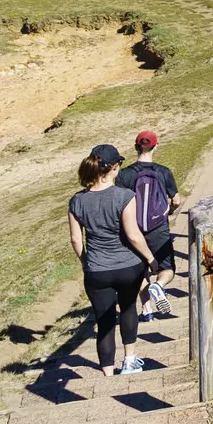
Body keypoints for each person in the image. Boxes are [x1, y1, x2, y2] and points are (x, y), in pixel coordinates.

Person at [67, 143, 158, 377]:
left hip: (97, 270)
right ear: (115, 167)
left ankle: (107, 373)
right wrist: (150, 259)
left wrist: (86, 262)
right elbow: (133, 235)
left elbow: (76, 241)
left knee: (104, 321)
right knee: (128, 309)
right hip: (128, 266)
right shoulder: (124, 196)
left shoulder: (76, 201)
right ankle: (129, 360)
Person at [115, 130, 182, 317]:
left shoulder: (124, 174)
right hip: (159, 227)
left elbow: (119, 202)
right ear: (156, 146)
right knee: (167, 268)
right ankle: (158, 286)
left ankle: (147, 310)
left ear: (136, 147)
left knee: (140, 270)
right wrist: (170, 212)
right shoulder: (163, 171)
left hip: (133, 228)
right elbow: (176, 199)